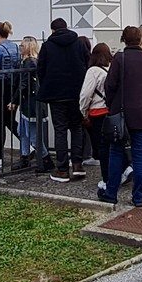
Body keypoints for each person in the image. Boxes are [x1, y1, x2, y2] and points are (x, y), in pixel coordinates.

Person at [99, 25, 142, 206]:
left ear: (123, 39)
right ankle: (138, 197)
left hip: (121, 113)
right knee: (140, 155)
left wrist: (112, 104)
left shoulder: (120, 58)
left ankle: (111, 192)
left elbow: (110, 85)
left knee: (116, 152)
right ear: (141, 39)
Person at [36, 18, 90, 182]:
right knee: (77, 128)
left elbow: (41, 69)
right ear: (67, 27)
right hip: (76, 92)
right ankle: (78, 165)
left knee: (60, 130)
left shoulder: (48, 46)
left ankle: (62, 169)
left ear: (53, 30)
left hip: (56, 93)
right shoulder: (79, 43)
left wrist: (48, 83)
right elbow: (87, 64)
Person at [11, 36, 52, 173]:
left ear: (28, 47)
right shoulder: (29, 62)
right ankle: (25, 157)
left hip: (31, 102)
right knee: (22, 131)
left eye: (22, 45)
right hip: (28, 100)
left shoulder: (30, 63)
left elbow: (24, 84)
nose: (20, 48)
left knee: (32, 134)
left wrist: (14, 101)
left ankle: (46, 160)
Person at [78, 42, 113, 185]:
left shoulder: (93, 71)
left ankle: (107, 178)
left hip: (97, 112)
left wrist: (83, 111)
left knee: (102, 147)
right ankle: (122, 170)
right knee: (113, 146)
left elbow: (86, 95)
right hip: (111, 111)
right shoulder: (111, 68)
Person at [0, 21, 21, 154]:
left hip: (0, 86)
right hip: (13, 86)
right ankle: (29, 144)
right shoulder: (15, 47)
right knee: (8, 119)